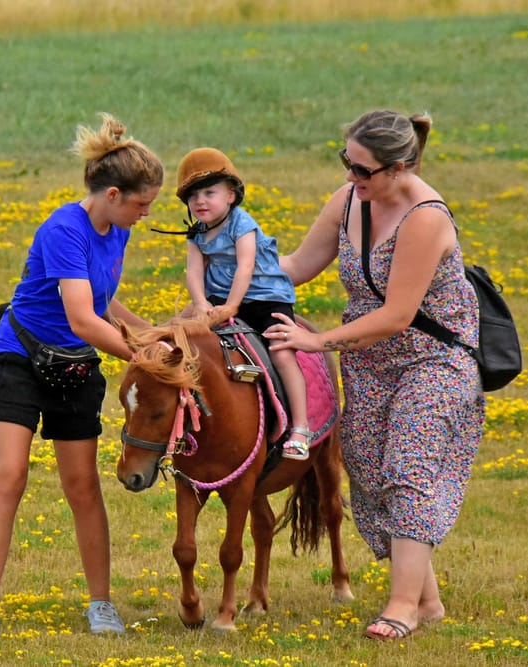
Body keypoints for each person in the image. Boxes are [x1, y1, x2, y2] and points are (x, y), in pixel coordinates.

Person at [264, 110, 484, 640]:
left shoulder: (425, 217)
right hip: (368, 360)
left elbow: (398, 315)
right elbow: (295, 265)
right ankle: (427, 601)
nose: (350, 178)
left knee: (408, 468)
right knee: (366, 470)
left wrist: (315, 340)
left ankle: (401, 606)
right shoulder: (348, 203)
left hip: (433, 358)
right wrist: (230, 263)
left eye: (362, 170)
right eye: (347, 163)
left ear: (399, 168)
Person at [0, 113, 163, 639]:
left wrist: (153, 334)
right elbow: (80, 316)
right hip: (21, 359)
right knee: (10, 476)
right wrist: (141, 360)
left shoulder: (115, 229)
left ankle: (101, 605)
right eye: (142, 205)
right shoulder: (62, 230)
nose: (146, 215)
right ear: (115, 194)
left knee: (81, 485)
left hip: (74, 364)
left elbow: (101, 300)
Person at [177, 147, 312, 460]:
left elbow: (246, 267)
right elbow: (194, 272)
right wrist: (199, 304)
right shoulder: (197, 231)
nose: (200, 201)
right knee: (179, 335)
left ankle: (301, 427)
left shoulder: (242, 224)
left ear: (232, 196)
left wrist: (232, 307)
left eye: (210, 192)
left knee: (281, 349)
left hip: (263, 295)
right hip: (218, 297)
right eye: (193, 195)